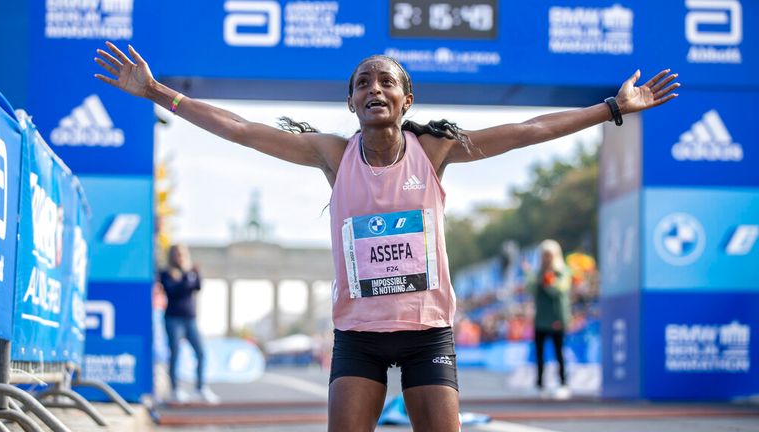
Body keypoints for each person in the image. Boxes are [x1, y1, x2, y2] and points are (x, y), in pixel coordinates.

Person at [94, 41, 678, 431]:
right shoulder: (332, 154)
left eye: (387, 83)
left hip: (428, 335)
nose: (375, 89)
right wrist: (157, 94)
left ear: (406, 99)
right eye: (363, 83)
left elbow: (527, 130)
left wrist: (611, 109)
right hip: (358, 336)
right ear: (350, 101)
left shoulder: (436, 150)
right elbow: (244, 131)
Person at [158, 244, 219, 404]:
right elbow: (175, 290)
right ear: (172, 256)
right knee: (175, 353)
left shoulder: (189, 273)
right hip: (173, 318)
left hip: (190, 318)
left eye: (183, 254)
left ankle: (200, 387)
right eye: (177, 254)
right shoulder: (166, 273)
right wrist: (187, 277)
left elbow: (196, 287)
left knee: (200, 352)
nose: (181, 257)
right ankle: (175, 389)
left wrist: (196, 274)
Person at [526, 239, 572, 399]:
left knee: (559, 352)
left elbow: (559, 290)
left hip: (557, 318)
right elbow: (530, 289)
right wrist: (533, 277)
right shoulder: (537, 273)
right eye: (544, 255)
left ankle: (563, 383)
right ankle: (539, 384)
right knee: (539, 354)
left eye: (549, 255)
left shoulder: (563, 272)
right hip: (541, 319)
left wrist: (548, 281)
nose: (546, 258)